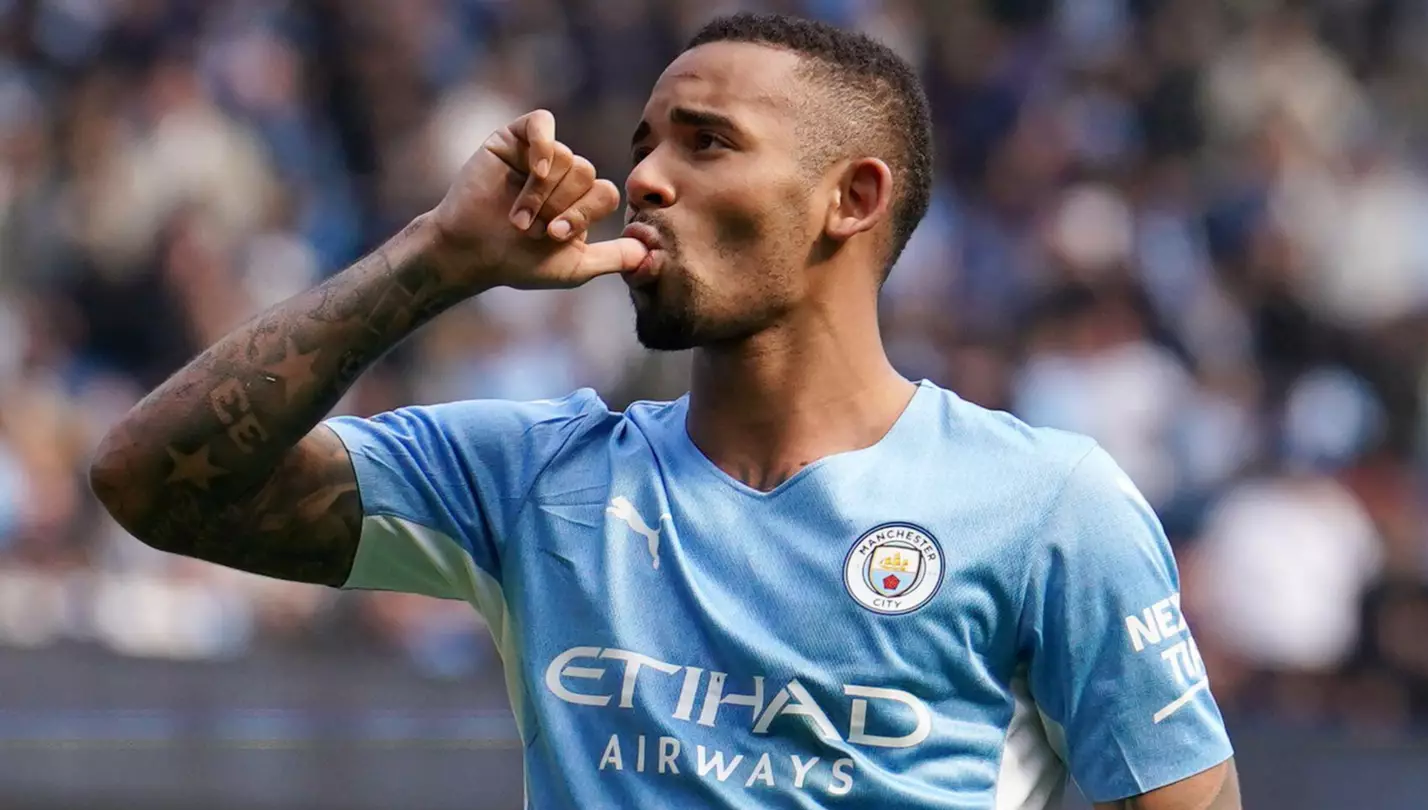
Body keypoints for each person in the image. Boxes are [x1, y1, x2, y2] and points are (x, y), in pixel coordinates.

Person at [89, 12, 1239, 809]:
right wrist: (435, 258)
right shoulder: (532, 476)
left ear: (854, 197)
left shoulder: (1043, 504)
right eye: (644, 144)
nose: (642, 177)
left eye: (706, 142)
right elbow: (151, 481)